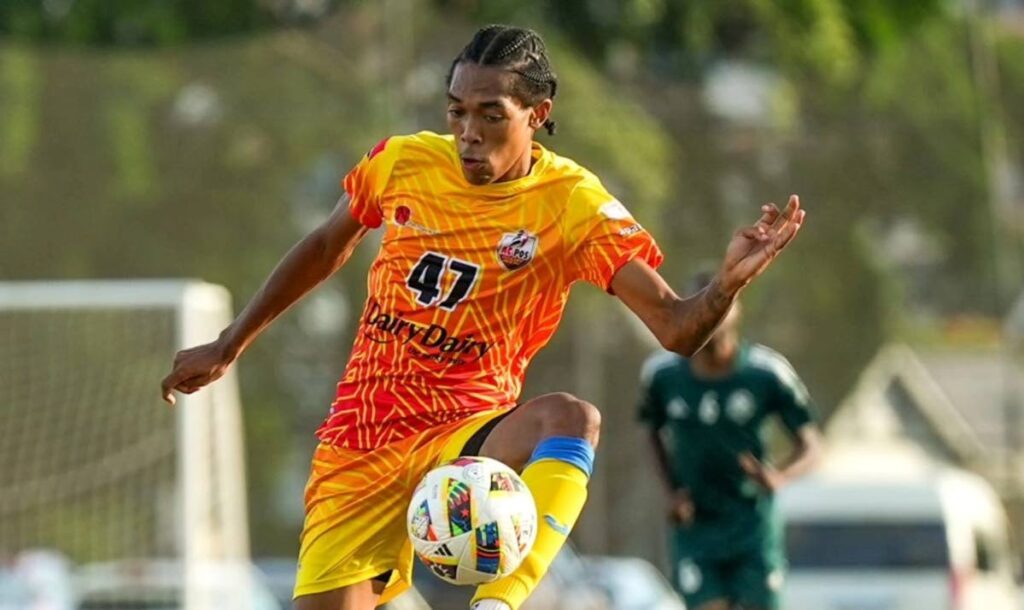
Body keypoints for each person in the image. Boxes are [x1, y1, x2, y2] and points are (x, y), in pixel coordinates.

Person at [160, 25, 806, 610]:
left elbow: (676, 328)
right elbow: (328, 243)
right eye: (457, 111)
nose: (468, 131)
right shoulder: (403, 162)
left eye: (490, 114)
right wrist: (229, 342)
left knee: (571, 419)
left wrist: (724, 284)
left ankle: (499, 603)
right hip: (362, 443)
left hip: (466, 436)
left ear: (538, 114)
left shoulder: (572, 204)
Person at [638, 270, 822, 610]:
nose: (712, 315)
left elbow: (811, 445)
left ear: (737, 311)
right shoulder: (662, 375)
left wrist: (779, 476)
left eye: (721, 304)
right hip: (696, 525)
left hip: (750, 521)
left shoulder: (766, 373)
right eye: (702, 305)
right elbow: (651, 431)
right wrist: (671, 492)